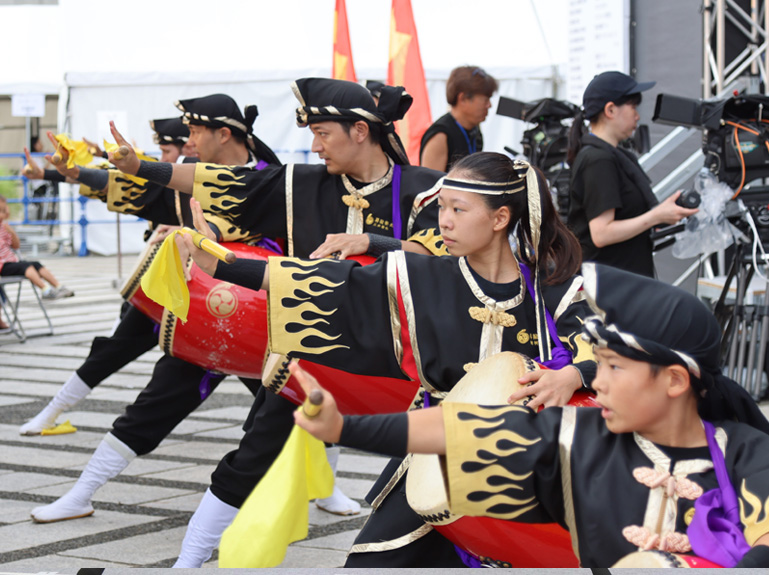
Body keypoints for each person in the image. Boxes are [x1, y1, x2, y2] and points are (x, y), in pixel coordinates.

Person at [180, 151, 596, 567]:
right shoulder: (423, 278)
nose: (443, 221)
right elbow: (331, 284)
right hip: (435, 458)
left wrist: (573, 375)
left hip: (530, 467)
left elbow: (606, 346)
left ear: (500, 217)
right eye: (441, 208)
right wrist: (223, 266)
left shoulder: (553, 286)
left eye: (458, 209)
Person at [108, 77, 448, 567]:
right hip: (313, 344)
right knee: (254, 452)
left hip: (404, 359)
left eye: (323, 133)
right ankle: (190, 558)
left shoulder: (423, 190)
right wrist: (141, 167)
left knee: (429, 466)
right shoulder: (301, 185)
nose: (314, 145)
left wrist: (374, 244)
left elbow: (442, 253)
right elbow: (223, 183)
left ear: (360, 131)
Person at [293, 261, 769, 568]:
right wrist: (343, 428)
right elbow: (458, 429)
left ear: (674, 380)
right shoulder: (582, 443)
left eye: (612, 367)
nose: (595, 381)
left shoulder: (748, 456)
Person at [23, 95, 296, 527]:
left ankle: (324, 489)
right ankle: (81, 493)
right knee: (152, 405)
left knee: (295, 406)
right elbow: (141, 190)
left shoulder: (279, 183)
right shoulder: (192, 180)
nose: (188, 141)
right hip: (204, 322)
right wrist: (68, 173)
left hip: (267, 326)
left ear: (224, 134)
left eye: (194, 132)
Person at [566, 71, 698, 278]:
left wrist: (662, 215)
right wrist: (656, 216)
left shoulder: (614, 155)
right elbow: (601, 233)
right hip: (609, 289)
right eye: (633, 107)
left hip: (622, 283)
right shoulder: (598, 160)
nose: (637, 115)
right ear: (610, 110)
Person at [419, 66, 497, 172]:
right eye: (485, 100)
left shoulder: (474, 129)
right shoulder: (440, 135)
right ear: (463, 98)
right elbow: (430, 185)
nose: (489, 105)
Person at [0, 195, 73, 301]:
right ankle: (45, 290)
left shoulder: (4, 228)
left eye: (3, 211)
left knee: (36, 265)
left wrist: (11, 232)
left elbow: (16, 246)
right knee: (26, 267)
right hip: (3, 266)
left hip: (12, 262)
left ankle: (58, 286)